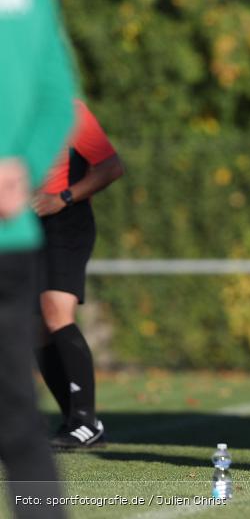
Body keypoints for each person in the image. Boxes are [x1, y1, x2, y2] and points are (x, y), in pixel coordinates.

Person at [0, 0, 78, 518]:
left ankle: (85, 416)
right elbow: (58, 98)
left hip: (24, 230)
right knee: (15, 415)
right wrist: (21, 164)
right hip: (13, 231)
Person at [32, 99, 123, 449]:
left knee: (56, 310)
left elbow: (111, 166)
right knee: (36, 329)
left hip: (66, 222)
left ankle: (86, 421)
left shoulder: (68, 110)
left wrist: (64, 197)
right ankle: (78, 422)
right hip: (25, 227)